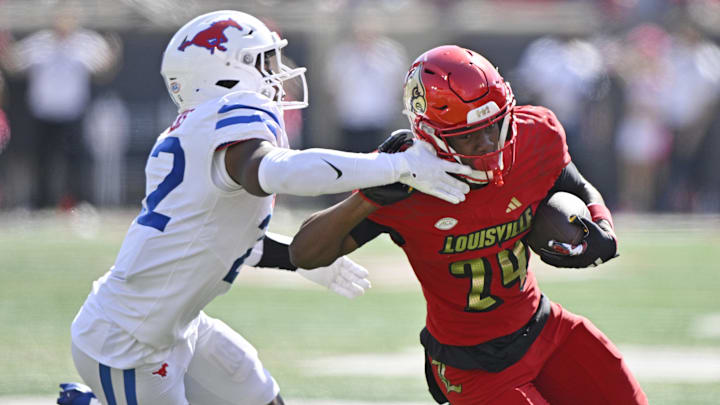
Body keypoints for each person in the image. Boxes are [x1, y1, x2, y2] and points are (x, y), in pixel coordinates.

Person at [65, 11, 472, 405]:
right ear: (224, 69)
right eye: (264, 61)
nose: (277, 74)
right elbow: (274, 172)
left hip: (175, 326)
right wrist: (396, 166)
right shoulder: (230, 118)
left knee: (261, 395)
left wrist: (297, 260)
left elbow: (217, 237)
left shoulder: (195, 131)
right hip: (128, 345)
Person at [290, 45, 648, 405]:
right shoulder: (402, 180)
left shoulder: (534, 135)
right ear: (427, 135)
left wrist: (601, 223)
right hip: (471, 366)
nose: (489, 144)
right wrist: (368, 196)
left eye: (494, 126)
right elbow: (303, 252)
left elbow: (576, 186)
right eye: (468, 135)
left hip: (543, 327)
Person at [0, 6, 121, 209]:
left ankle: (80, 203)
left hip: (73, 111)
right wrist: (5, 48)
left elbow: (104, 70)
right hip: (44, 112)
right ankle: (41, 204)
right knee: (43, 160)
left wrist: (114, 55)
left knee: (77, 161)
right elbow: (14, 64)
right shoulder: (40, 42)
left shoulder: (86, 43)